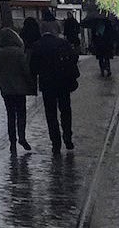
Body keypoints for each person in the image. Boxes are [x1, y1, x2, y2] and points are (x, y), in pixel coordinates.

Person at [29, 19, 79, 155]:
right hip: (63, 83)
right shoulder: (62, 43)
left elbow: (33, 68)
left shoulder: (37, 45)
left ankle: (55, 142)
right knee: (65, 111)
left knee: (51, 114)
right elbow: (73, 58)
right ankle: (67, 137)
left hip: (47, 84)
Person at [0, 27, 35, 155]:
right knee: (21, 113)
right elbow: (25, 70)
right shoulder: (19, 53)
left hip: (6, 90)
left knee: (10, 115)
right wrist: (30, 83)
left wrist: (1, 82)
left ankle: (12, 142)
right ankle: (22, 136)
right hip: (20, 89)